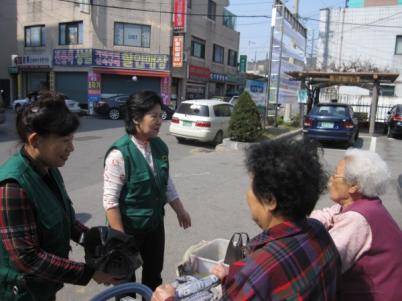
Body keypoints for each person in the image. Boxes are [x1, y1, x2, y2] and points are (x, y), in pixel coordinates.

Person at [152, 140, 341, 301]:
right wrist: (232, 277)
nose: (247, 194)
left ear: (269, 200)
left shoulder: (256, 272)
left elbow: (256, 280)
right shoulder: (318, 231)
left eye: (251, 185)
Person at [0, 92, 117, 301]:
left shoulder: (48, 167)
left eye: (72, 139)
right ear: (35, 140)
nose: (71, 148)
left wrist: (96, 241)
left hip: (45, 287)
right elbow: (28, 259)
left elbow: (66, 221)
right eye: (65, 140)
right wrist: (89, 273)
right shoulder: (13, 187)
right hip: (21, 293)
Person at [103, 91, 191, 292]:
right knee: (124, 280)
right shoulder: (119, 154)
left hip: (154, 225)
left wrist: (180, 210)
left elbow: (165, 181)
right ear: (136, 118)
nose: (160, 121)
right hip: (129, 229)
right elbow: (111, 202)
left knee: (153, 274)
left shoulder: (159, 147)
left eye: (161, 116)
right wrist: (121, 242)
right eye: (154, 116)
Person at [310, 148, 402, 301]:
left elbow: (321, 266)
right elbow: (328, 213)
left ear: (354, 186)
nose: (330, 180)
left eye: (335, 175)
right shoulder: (368, 204)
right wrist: (312, 223)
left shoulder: (357, 219)